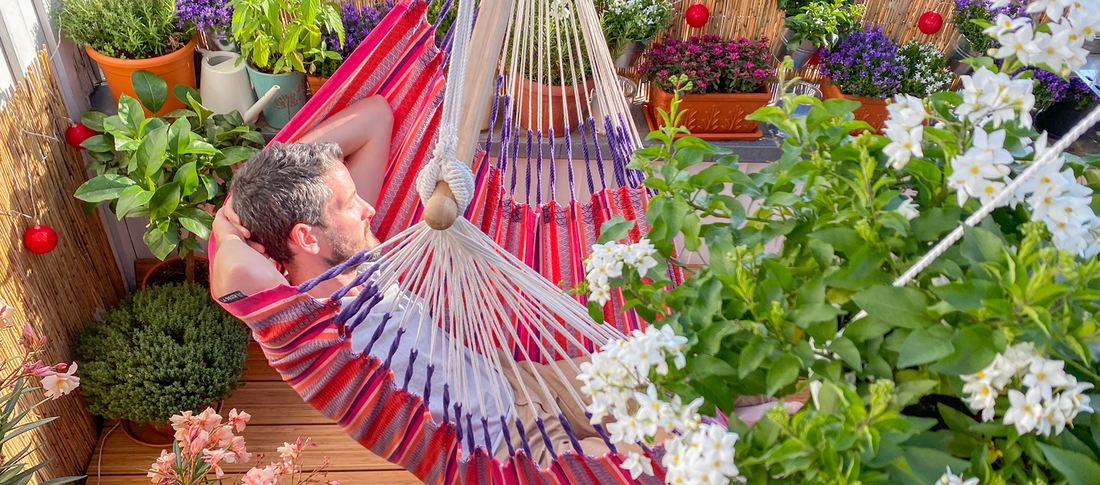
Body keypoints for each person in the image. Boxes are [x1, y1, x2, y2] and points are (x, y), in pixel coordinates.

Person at [210, 96, 616, 467]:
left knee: (644, 379)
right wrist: (225, 225)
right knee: (626, 461)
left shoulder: (357, 254)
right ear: (305, 237)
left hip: (515, 381)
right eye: (350, 203)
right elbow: (233, 268)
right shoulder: (305, 331)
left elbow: (374, 117)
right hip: (499, 445)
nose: (369, 208)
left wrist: (248, 194)